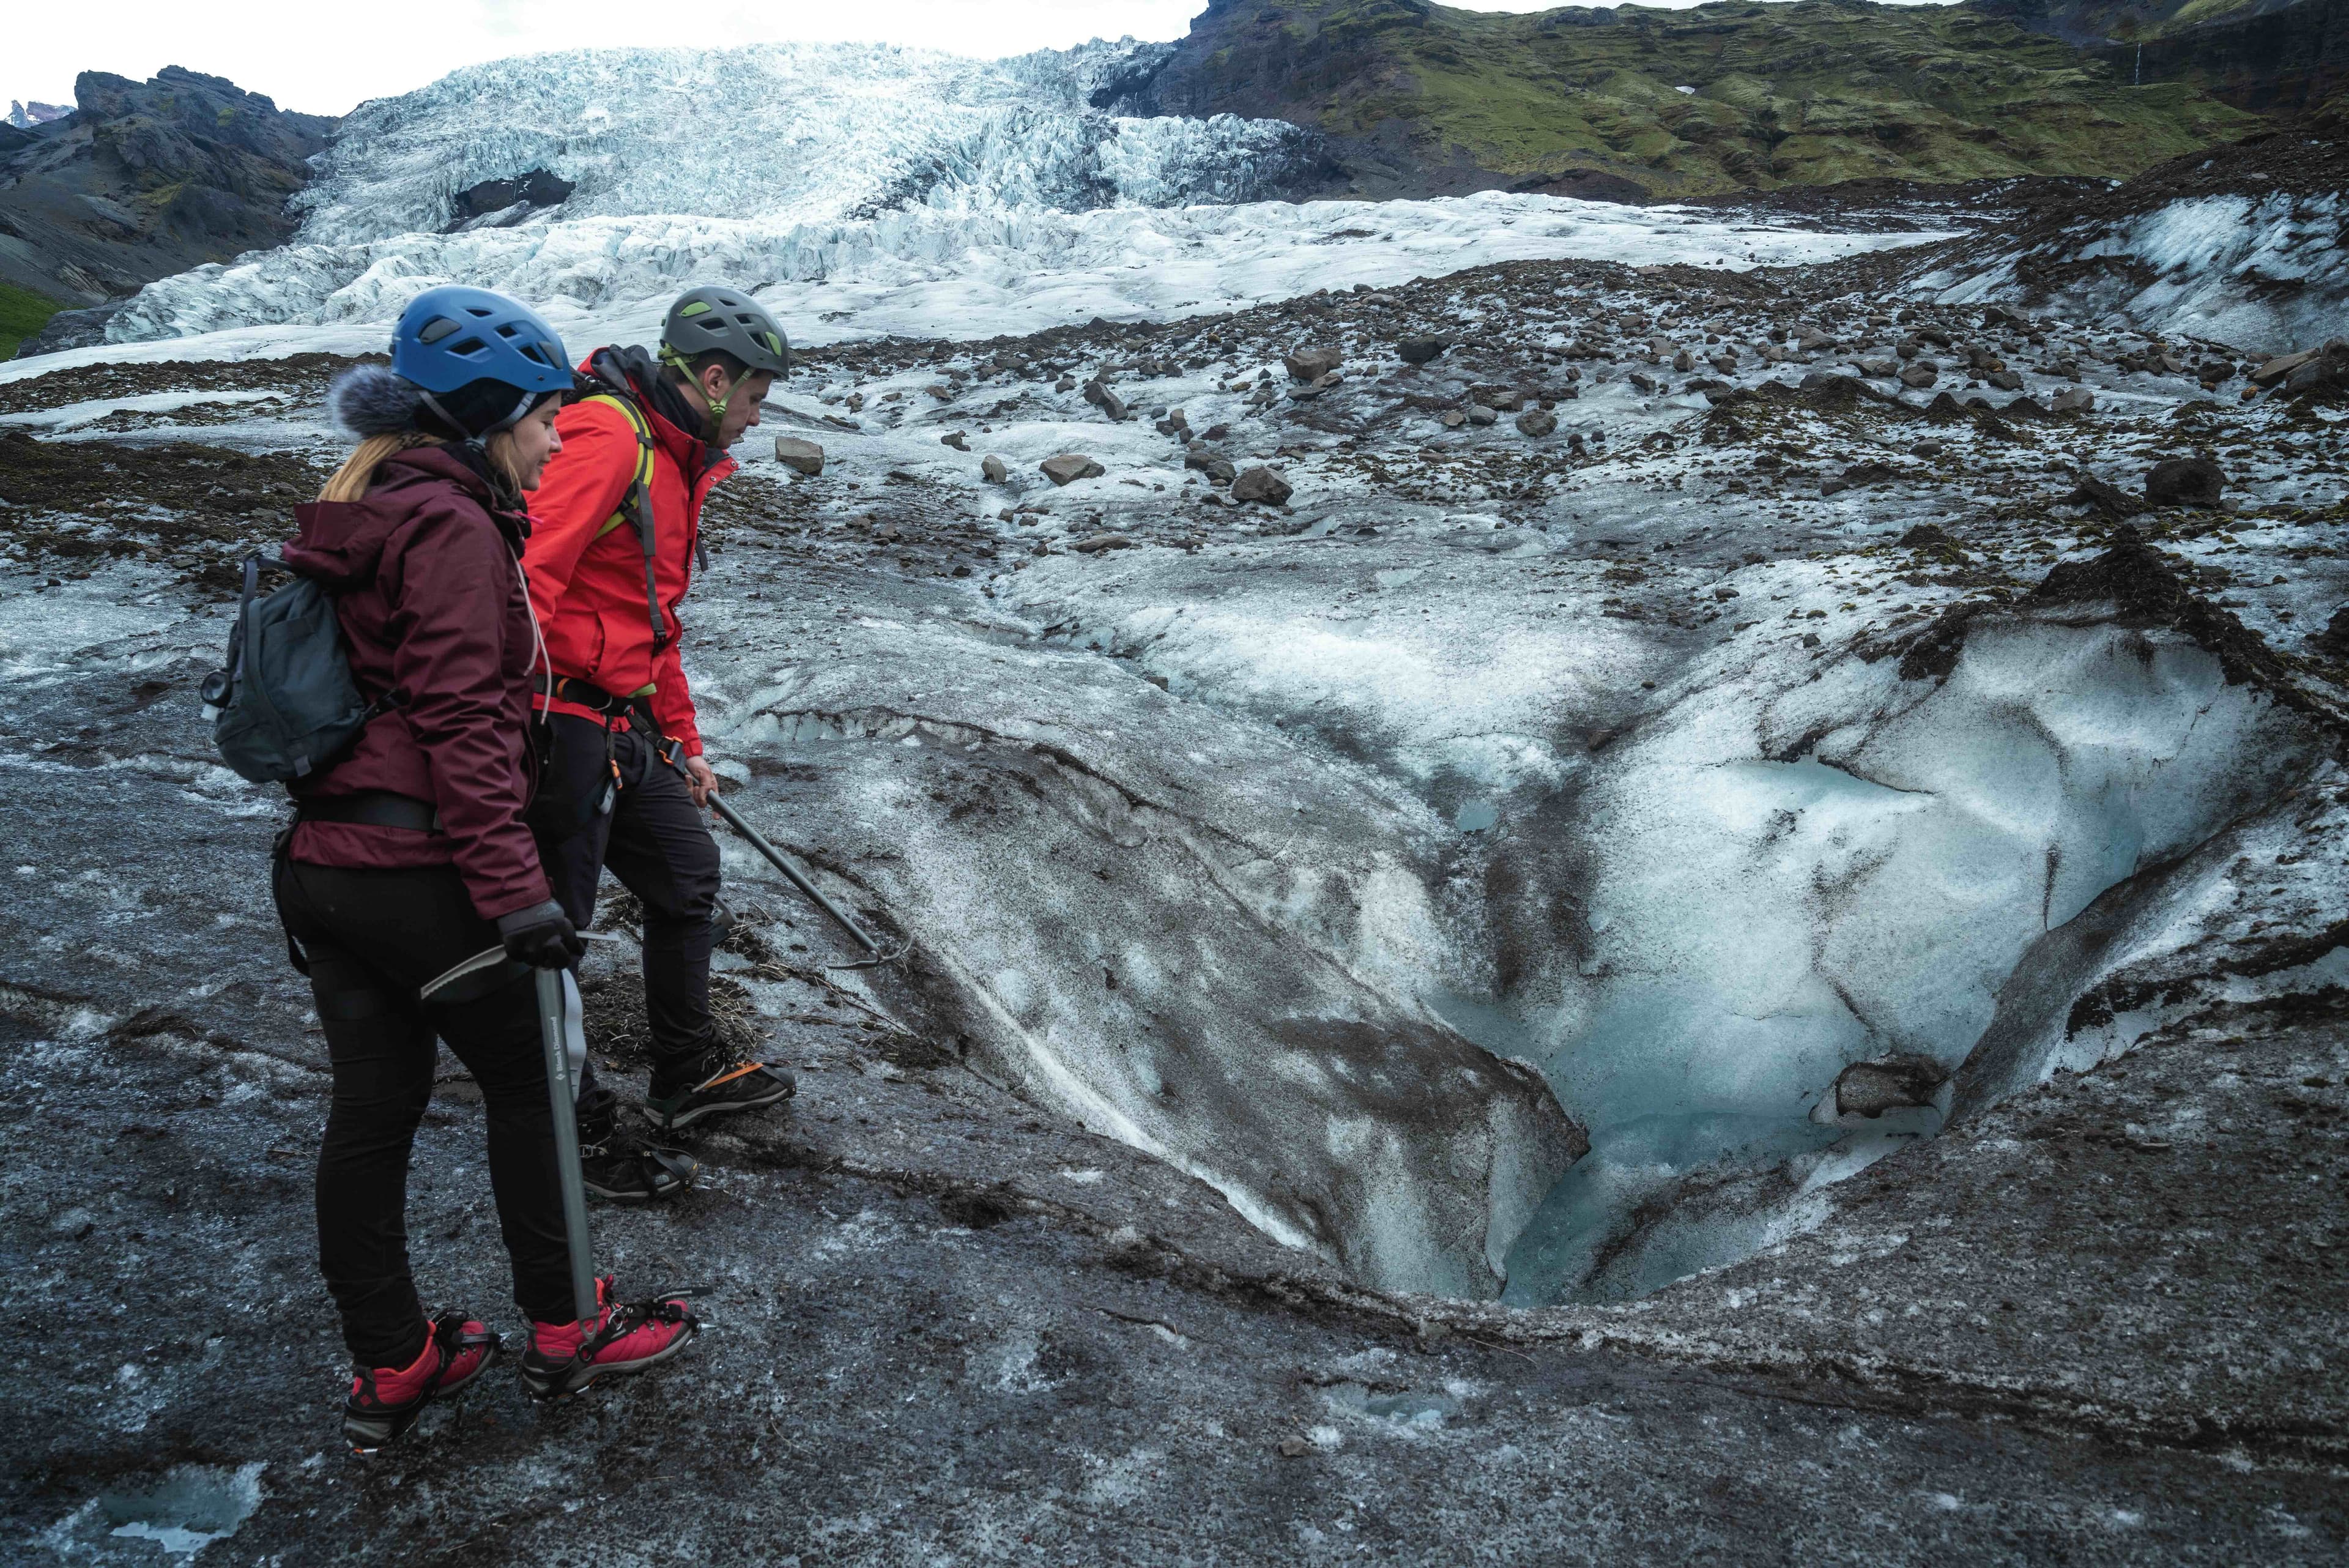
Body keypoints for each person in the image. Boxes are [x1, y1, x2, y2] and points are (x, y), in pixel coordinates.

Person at [274, 284, 696, 1452]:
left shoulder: (365, 508)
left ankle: (396, 1362)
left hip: (324, 861)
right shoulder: (455, 529)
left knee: (372, 1112)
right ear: (494, 418)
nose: (559, 441)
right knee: (534, 1086)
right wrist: (517, 893)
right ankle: (570, 1329)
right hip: (420, 869)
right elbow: (462, 719)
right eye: (546, 419)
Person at [522, 286, 797, 1196]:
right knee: (551, 936)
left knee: (686, 875)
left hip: (620, 720)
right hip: (557, 715)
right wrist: (499, 728)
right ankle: (569, 1131)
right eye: (754, 397)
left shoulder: (674, 460)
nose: (757, 417)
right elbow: (526, 579)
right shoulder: (610, 437)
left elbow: (652, 619)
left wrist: (683, 740)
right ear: (714, 381)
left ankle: (686, 1073)